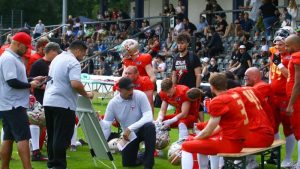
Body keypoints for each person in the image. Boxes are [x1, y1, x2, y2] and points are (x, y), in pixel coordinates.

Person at [181, 73, 249, 169]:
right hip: (240, 141)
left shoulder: (218, 101)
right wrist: (201, 138)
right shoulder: (234, 94)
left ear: (212, 87)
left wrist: (194, 139)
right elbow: (221, 126)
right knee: (201, 143)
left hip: (230, 143)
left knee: (186, 146)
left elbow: (208, 131)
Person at [43, 40, 93, 169]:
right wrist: (86, 94)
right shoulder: (73, 62)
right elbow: (75, 83)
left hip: (49, 100)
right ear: (78, 50)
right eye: (83, 53)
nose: (83, 56)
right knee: (62, 136)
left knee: (53, 135)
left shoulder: (57, 58)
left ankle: (52, 163)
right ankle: (58, 165)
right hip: (63, 103)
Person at [0, 32, 42, 169]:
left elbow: (16, 80)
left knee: (8, 137)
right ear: (18, 44)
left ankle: (4, 166)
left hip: (10, 103)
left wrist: (31, 80)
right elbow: (11, 81)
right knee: (22, 137)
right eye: (26, 47)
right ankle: (27, 167)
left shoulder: (12, 57)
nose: (27, 50)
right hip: (14, 104)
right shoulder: (8, 59)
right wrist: (30, 85)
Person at [101, 77, 155, 169]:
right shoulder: (113, 103)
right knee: (128, 163)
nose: (131, 91)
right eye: (128, 89)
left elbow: (149, 117)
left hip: (142, 130)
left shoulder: (140, 95)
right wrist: (99, 120)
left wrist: (130, 128)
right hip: (128, 136)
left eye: (132, 88)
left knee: (150, 126)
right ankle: (142, 156)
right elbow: (106, 125)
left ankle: (149, 163)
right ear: (119, 90)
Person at [29, 42, 62, 161]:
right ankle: (35, 150)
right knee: (38, 123)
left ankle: (40, 148)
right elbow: (31, 81)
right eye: (57, 52)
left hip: (52, 99)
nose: (58, 54)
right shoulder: (38, 63)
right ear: (51, 51)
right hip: (39, 98)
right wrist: (42, 86)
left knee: (46, 125)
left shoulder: (56, 63)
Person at [285, 34, 300, 168]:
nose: (286, 48)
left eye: (287, 45)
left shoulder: (297, 56)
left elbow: (298, 83)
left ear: (294, 46)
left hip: (297, 100)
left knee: (299, 130)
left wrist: (290, 105)